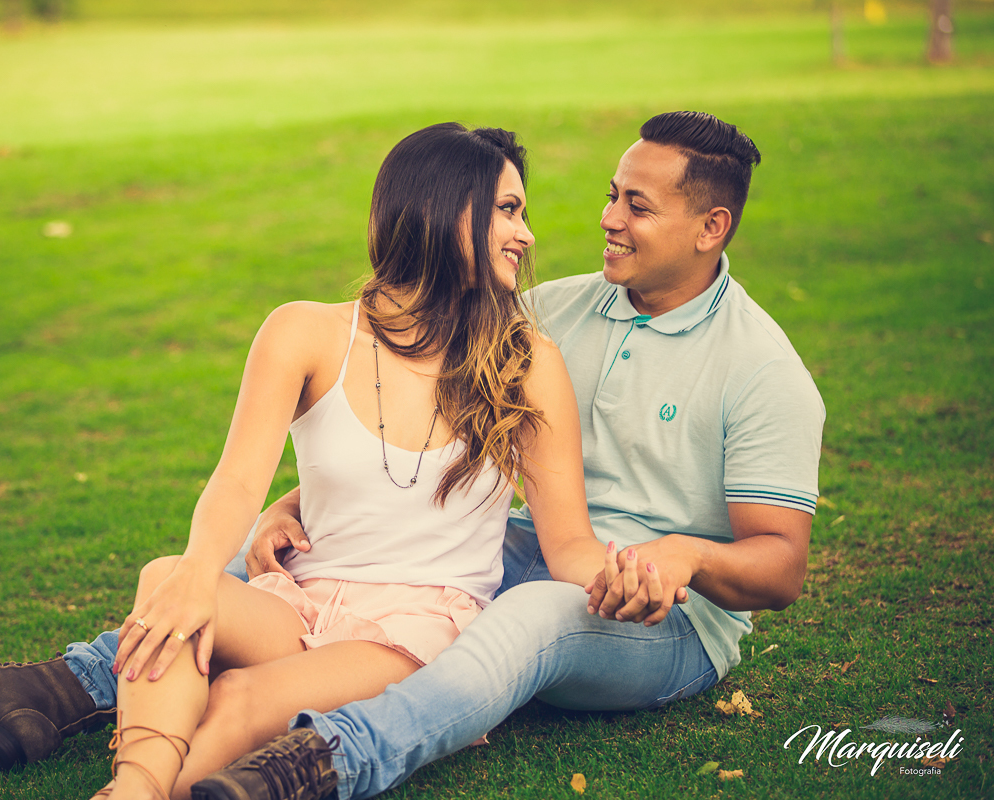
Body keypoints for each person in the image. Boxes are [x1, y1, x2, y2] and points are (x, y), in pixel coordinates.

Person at [0, 122, 678, 799]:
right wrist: (200, 572)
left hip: (414, 629)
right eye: (509, 210)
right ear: (445, 211)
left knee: (240, 697)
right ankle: (133, 783)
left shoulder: (523, 359)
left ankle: (132, 784)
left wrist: (625, 578)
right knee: (165, 580)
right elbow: (239, 478)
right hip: (302, 600)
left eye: (522, 212)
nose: (527, 234)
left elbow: (567, 542)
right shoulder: (305, 333)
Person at [180, 110, 825, 800]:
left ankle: (327, 759)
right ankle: (91, 678)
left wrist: (686, 556)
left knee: (530, 618)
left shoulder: (761, 368)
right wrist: (298, 501)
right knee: (257, 547)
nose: (608, 218)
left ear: (710, 227)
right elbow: (421, 421)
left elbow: (781, 568)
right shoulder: (549, 310)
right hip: (540, 544)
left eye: (636, 206)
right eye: (612, 194)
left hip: (663, 612)